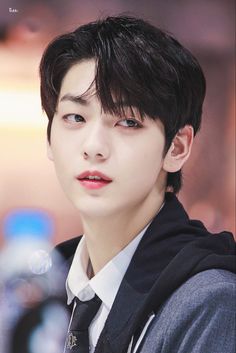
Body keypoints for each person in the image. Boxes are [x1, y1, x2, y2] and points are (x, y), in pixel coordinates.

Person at [39, 15, 236, 353]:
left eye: (128, 121)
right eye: (75, 117)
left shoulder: (208, 303)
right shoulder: (42, 290)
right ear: (49, 136)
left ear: (176, 147)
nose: (94, 146)